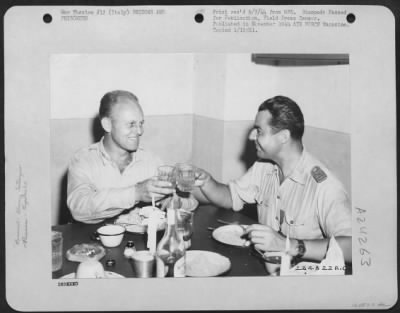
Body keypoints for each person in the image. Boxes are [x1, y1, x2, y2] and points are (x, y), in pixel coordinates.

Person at [193, 96, 352, 263]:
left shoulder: (324, 185)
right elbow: (231, 197)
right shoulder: (264, 167)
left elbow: (353, 247)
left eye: (260, 131)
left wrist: (287, 245)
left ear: (283, 137)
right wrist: (207, 183)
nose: (252, 137)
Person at [67, 90, 175, 224]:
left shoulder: (151, 160)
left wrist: (171, 201)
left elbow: (182, 200)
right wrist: (136, 193)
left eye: (141, 124)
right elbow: (78, 208)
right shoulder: (83, 159)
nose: (140, 131)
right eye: (131, 124)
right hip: (93, 242)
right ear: (107, 125)